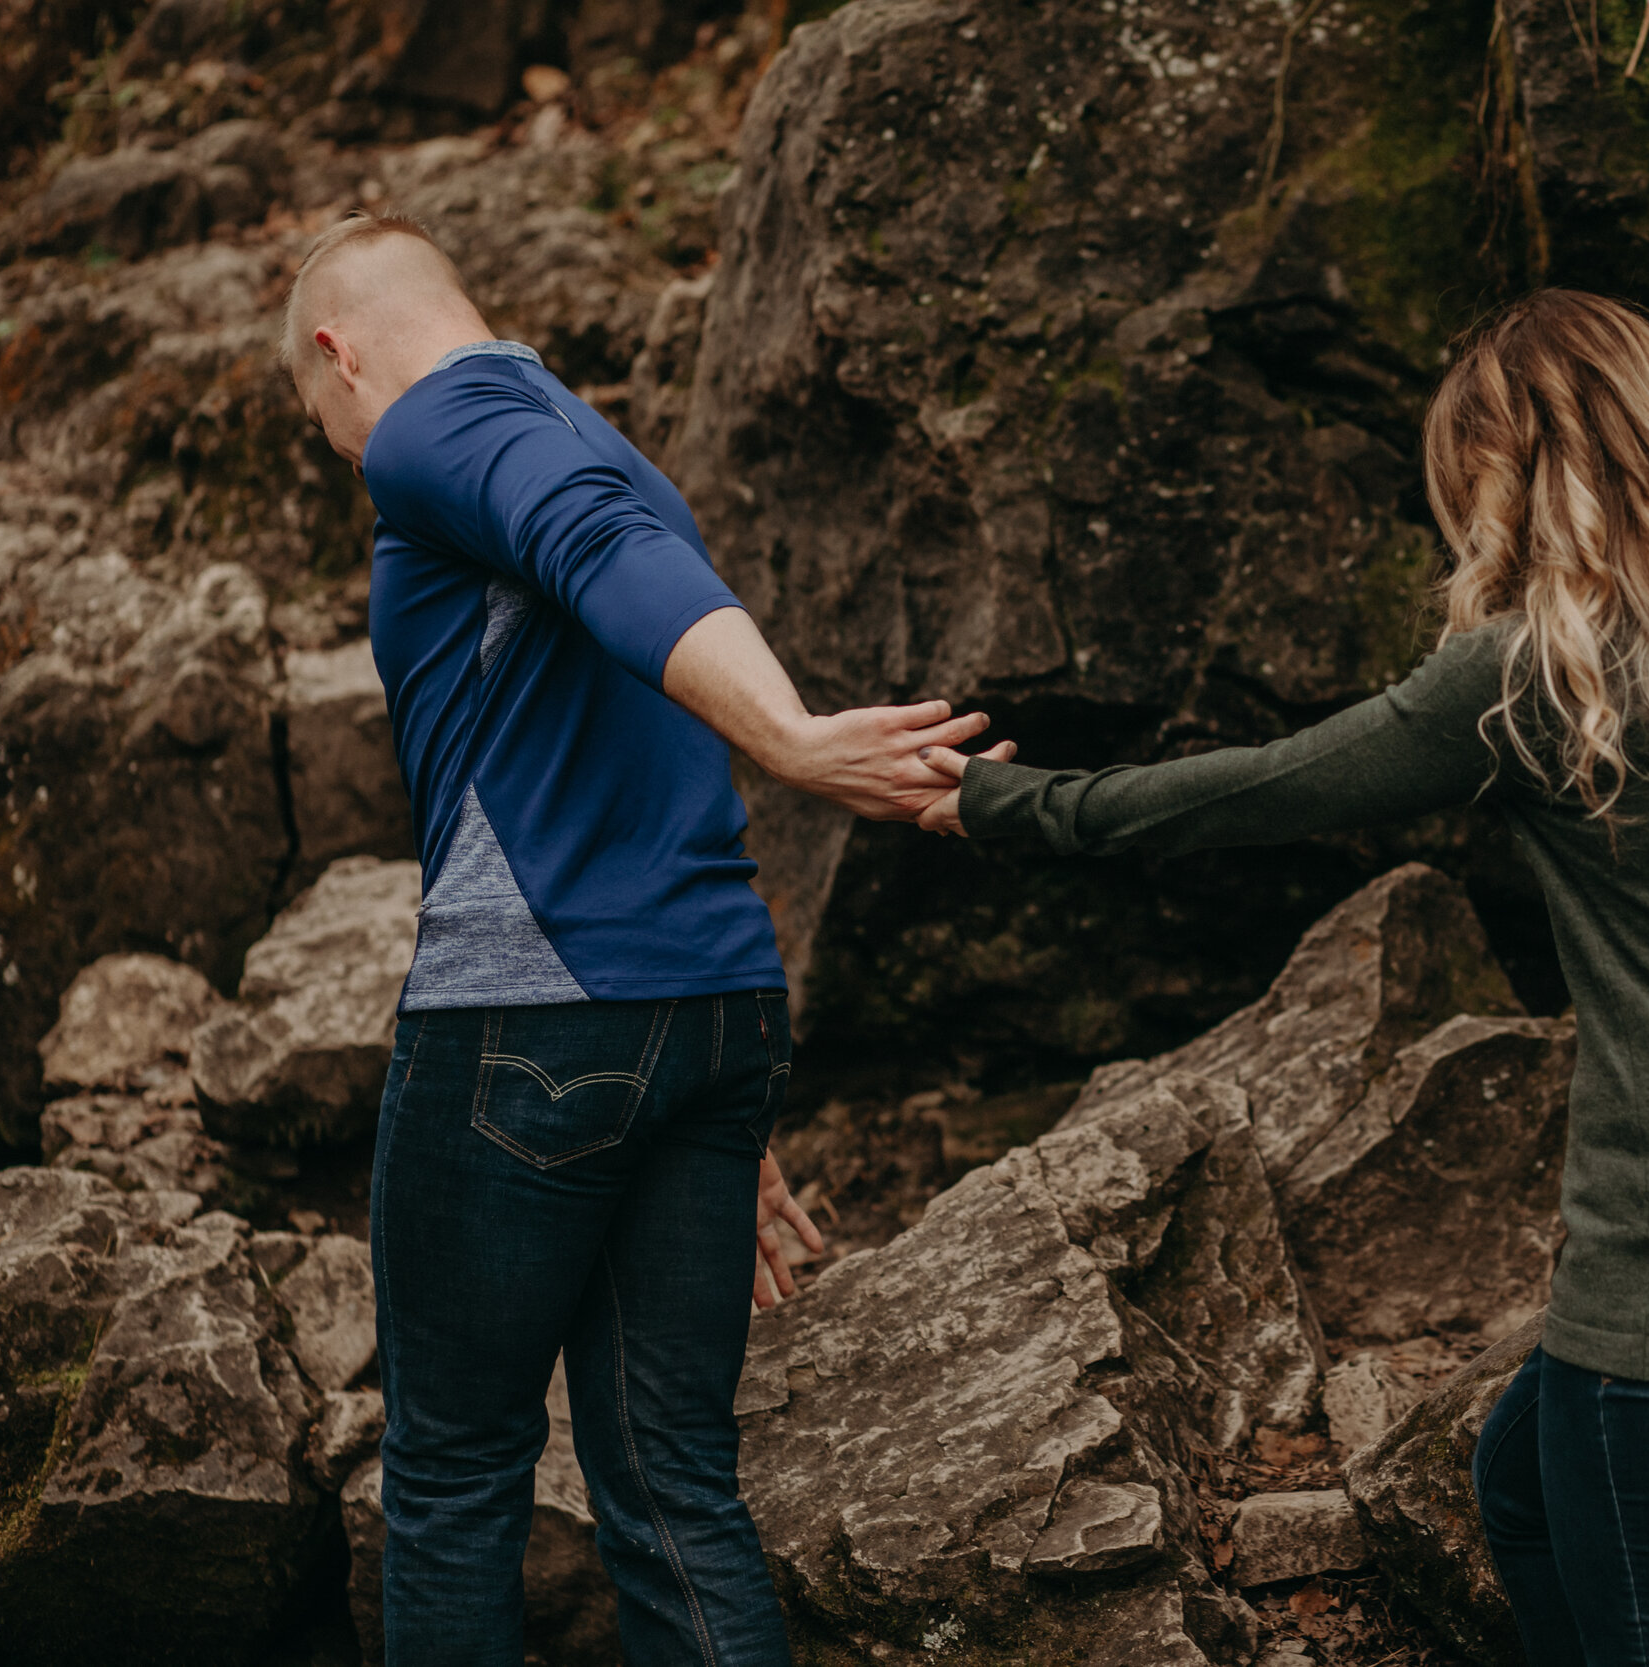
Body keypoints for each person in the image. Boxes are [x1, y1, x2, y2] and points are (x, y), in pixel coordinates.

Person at [915, 289, 1649, 1667]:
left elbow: (1266, 791)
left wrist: (1005, 803)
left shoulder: (1529, 678)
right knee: (1517, 1484)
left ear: (1505, 486)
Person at [282, 210, 1007, 1664]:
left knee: (450, 1475)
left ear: (336, 355)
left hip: (530, 1018)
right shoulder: (607, 441)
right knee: (672, 1482)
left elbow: (588, 541)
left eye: (328, 435)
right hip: (701, 1010)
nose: (357, 466)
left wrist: (795, 739)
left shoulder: (436, 426)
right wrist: (687, 1103)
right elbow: (614, 584)